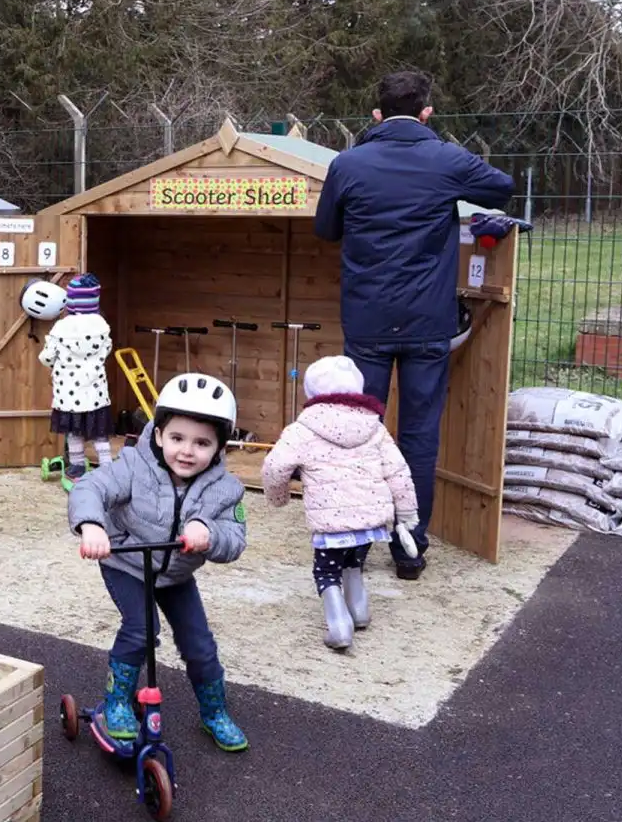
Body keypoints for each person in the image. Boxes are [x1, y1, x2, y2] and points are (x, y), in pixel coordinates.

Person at [314, 69, 515, 578]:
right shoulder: (446, 158)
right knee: (419, 436)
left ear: (376, 115)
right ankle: (409, 547)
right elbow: (503, 188)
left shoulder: (348, 163)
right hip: (429, 323)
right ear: (427, 112)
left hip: (368, 323)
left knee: (359, 430)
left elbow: (326, 229)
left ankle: (354, 544)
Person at [67, 372, 249, 752]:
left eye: (202, 443)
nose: (187, 451)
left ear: (218, 448)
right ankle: (117, 702)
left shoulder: (225, 489)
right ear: (159, 434)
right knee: (141, 629)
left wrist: (209, 533)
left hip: (177, 574)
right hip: (127, 564)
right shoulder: (134, 465)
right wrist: (91, 525)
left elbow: (235, 540)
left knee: (200, 645)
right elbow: (92, 488)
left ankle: (214, 712)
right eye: (177, 438)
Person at [260, 356, 420, 650]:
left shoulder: (302, 429)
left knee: (326, 571)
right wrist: (407, 510)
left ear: (311, 393)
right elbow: (398, 469)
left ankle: (339, 627)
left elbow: (274, 467)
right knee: (354, 562)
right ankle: (359, 612)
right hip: (371, 523)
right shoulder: (376, 427)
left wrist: (277, 497)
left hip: (331, 524)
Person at [39, 273, 114, 483]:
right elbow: (107, 350)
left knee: (74, 433)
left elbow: (47, 357)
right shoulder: (101, 326)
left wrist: (53, 361)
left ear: (71, 301)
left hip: (69, 394)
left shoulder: (61, 328)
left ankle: (78, 466)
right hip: (96, 392)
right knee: (100, 433)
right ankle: (108, 467)